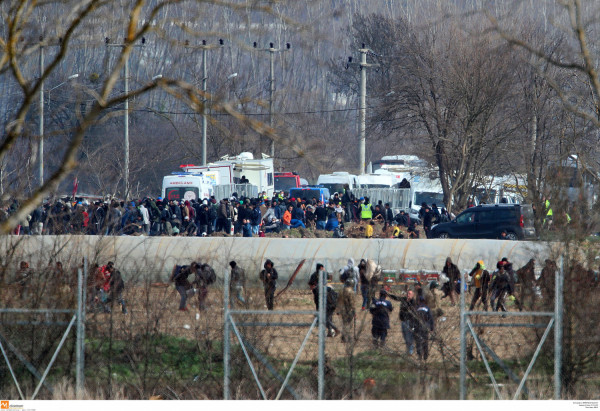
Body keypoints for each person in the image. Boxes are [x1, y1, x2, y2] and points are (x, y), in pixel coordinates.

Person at [389, 289, 416, 355]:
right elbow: (396, 298)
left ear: (413, 295)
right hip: (403, 320)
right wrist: (389, 295)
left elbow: (413, 311)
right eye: (407, 293)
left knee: (409, 336)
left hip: (410, 321)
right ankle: (408, 349)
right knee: (405, 336)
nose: (408, 295)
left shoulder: (413, 302)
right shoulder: (404, 299)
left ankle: (410, 350)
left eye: (409, 294)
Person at [414, 296, 434, 361]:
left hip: (418, 327)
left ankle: (419, 355)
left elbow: (414, 318)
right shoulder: (427, 308)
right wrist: (432, 328)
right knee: (425, 341)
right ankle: (425, 356)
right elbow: (431, 318)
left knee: (418, 342)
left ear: (418, 301)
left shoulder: (416, 308)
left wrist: (413, 327)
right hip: (425, 327)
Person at [339, 278, 357, 343]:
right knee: (348, 324)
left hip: (342, 309)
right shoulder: (351, 292)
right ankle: (348, 337)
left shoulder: (341, 290)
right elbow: (352, 302)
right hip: (348, 309)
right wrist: (354, 310)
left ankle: (343, 336)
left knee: (344, 323)